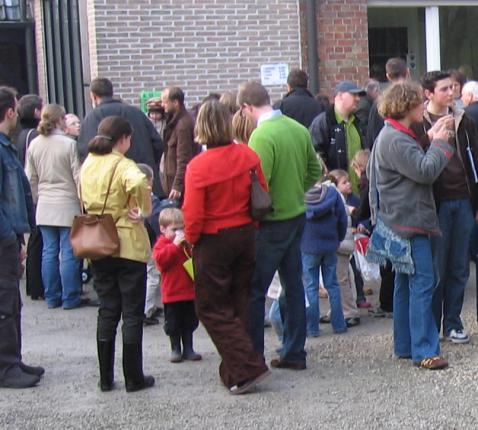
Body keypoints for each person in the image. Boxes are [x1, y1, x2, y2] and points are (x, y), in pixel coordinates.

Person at [182, 100, 270, 395]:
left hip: (213, 238)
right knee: (239, 302)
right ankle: (235, 371)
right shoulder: (247, 155)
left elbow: (193, 214)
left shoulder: (199, 166)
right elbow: (262, 194)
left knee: (210, 307)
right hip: (245, 233)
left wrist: (191, 240)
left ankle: (246, 367)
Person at [367, 81, 452, 369]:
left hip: (397, 220)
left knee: (404, 283)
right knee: (423, 283)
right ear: (406, 107)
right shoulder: (396, 139)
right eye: (418, 103)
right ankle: (425, 350)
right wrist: (441, 143)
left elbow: (411, 159)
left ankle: (405, 345)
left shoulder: (392, 134)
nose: (423, 107)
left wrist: (429, 137)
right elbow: (425, 171)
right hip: (410, 222)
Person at [238, 81, 321, 370]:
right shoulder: (297, 129)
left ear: (247, 107)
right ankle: (295, 352)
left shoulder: (261, 136)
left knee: (255, 288)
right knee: (293, 285)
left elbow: (259, 183)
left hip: (272, 221)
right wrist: (296, 189)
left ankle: (254, 358)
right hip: (297, 215)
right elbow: (315, 170)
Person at [80, 115, 154, 392]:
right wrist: (143, 209)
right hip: (126, 241)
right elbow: (138, 181)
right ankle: (134, 377)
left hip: (97, 239)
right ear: (123, 139)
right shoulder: (124, 164)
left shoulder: (89, 163)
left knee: (107, 309)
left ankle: (105, 377)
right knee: (132, 312)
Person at [411, 71, 478, 344]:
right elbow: (414, 159)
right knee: (436, 268)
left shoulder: (465, 120)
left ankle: (452, 322)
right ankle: (431, 327)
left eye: (452, 88)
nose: (451, 93)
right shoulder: (418, 123)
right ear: (429, 94)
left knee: (460, 266)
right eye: (444, 89)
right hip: (435, 203)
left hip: (463, 200)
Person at [0, 86, 44, 389]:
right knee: (4, 301)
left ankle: (13, 360)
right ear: (10, 112)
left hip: (11, 235)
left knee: (12, 301)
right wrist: (8, 237)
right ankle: (6, 367)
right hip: (3, 237)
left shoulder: (7, 146)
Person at [26, 104, 84, 310]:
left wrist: (36, 199)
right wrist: (82, 200)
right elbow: (78, 176)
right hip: (67, 202)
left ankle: (52, 296)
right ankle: (70, 297)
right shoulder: (68, 144)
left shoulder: (34, 144)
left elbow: (30, 178)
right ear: (60, 120)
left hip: (45, 203)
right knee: (68, 251)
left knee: (48, 251)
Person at [77, 77, 163, 197]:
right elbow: (158, 144)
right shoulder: (136, 113)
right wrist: (150, 165)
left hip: (110, 189)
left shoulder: (91, 118)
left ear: (93, 96)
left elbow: (84, 153)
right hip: (143, 183)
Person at [301, 175, 348, 337]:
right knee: (333, 285)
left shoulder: (300, 194)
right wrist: (338, 238)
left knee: (311, 287)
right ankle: (339, 324)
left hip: (308, 246)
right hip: (329, 245)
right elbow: (343, 220)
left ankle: (312, 328)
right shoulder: (332, 194)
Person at [153, 208, 201, 363]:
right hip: (172, 293)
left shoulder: (186, 244)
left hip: (188, 292)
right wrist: (174, 246)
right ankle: (175, 348)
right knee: (173, 323)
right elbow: (161, 262)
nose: (179, 232)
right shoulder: (162, 244)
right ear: (162, 229)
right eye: (174, 229)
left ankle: (188, 347)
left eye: (182, 228)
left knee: (189, 321)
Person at [309, 80, 365, 193]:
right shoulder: (322, 123)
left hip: (359, 194)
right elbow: (316, 158)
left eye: (359, 95)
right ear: (340, 96)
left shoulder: (358, 123)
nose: (358, 98)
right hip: (335, 196)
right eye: (354, 94)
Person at [14, 94, 44, 301]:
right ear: (36, 112)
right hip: (35, 194)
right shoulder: (33, 136)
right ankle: (36, 285)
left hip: (30, 194)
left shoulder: (21, 135)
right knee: (37, 240)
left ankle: (34, 285)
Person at [323, 169, 361, 327]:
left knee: (341, 280)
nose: (349, 184)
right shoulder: (340, 200)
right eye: (344, 182)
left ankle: (350, 311)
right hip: (340, 243)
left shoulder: (336, 199)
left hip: (341, 245)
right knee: (335, 280)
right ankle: (337, 310)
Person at [136, 163, 162, 326]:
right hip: (150, 244)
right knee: (152, 276)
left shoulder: (130, 198)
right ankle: (147, 309)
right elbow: (154, 224)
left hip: (136, 243)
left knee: (141, 276)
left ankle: (139, 307)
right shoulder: (151, 200)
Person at [161, 86, 197, 201]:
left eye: (165, 102)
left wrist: (177, 185)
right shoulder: (175, 123)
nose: (162, 105)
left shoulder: (183, 125)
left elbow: (184, 158)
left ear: (175, 102)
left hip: (179, 189)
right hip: (174, 185)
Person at [366, 57, 410, 150]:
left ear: (388, 76)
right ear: (408, 73)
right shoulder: (415, 101)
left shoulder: (379, 103)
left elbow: (372, 139)